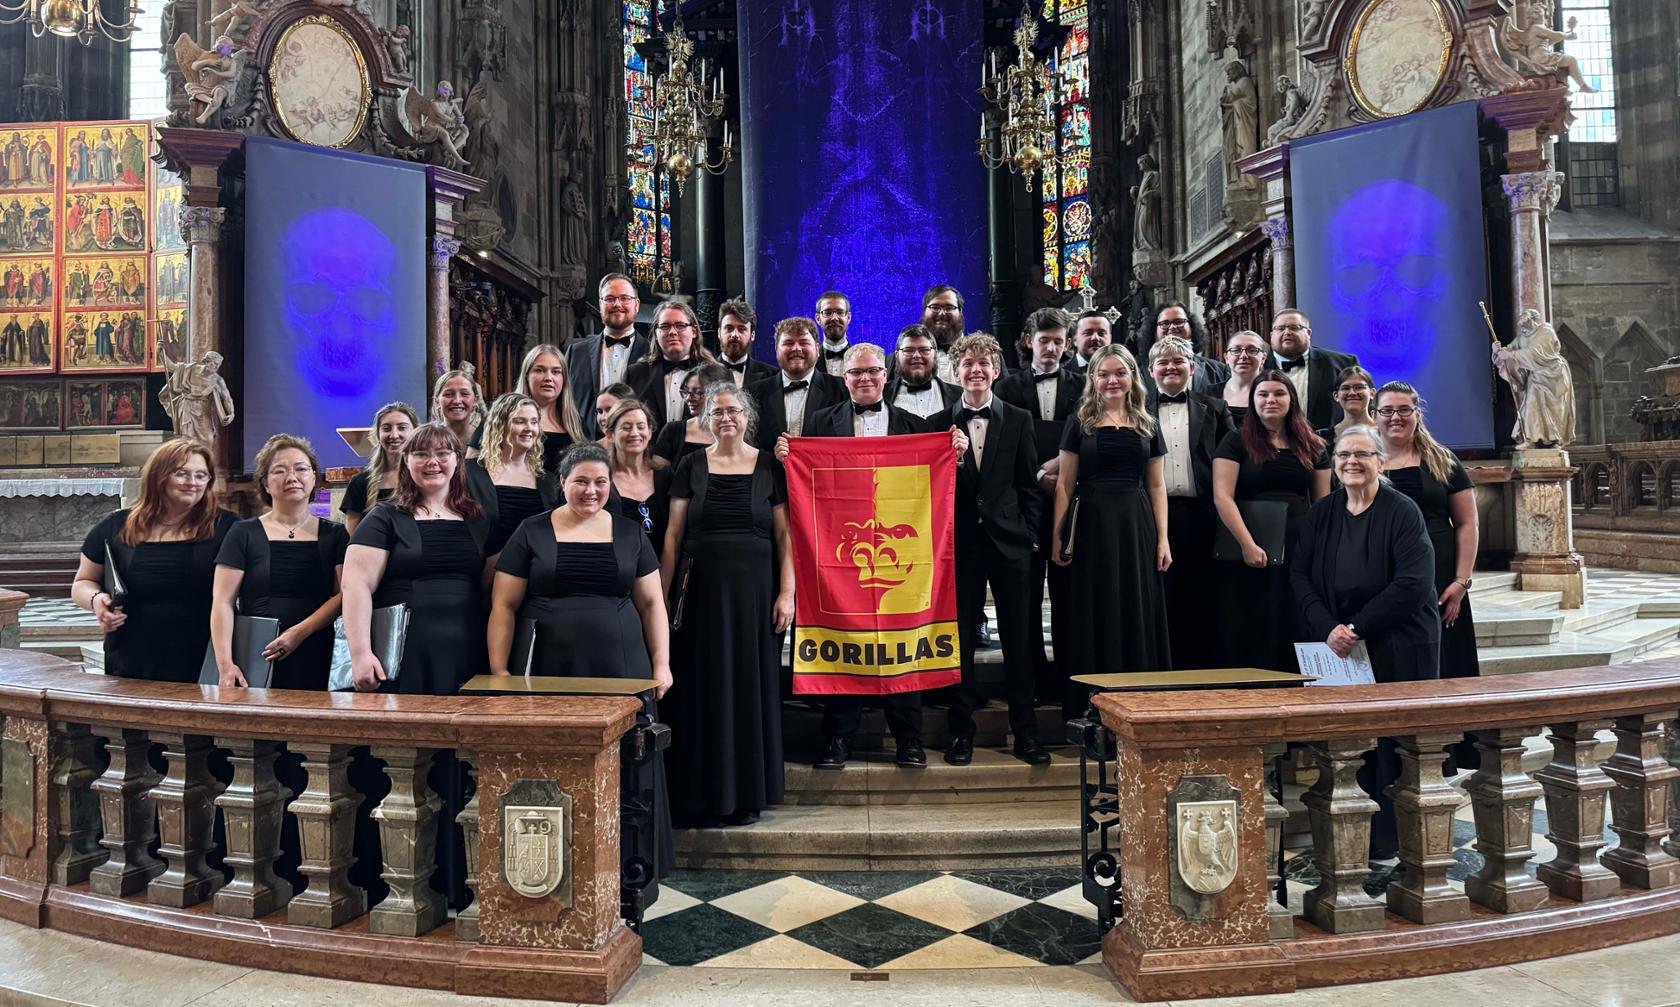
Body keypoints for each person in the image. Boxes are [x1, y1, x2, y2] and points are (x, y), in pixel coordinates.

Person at [488, 442, 673, 872]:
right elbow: (504, 606)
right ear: (562, 483)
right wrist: (499, 671)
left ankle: (628, 864)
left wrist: (661, 664)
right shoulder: (531, 530)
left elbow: (652, 604)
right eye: (581, 482)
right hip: (548, 667)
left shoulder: (630, 532)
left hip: (622, 667)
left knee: (629, 761)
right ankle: (553, 861)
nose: (591, 491)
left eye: (600, 482)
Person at [785, 344, 967, 770]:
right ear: (843, 377)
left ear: (886, 375)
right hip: (840, 556)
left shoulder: (914, 426)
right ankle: (837, 739)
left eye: (871, 371)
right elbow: (804, 482)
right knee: (842, 638)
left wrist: (951, 453)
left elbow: (938, 483)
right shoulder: (819, 423)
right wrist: (786, 458)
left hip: (902, 555)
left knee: (905, 639)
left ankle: (909, 739)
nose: (864, 379)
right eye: (854, 372)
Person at [1291, 425, 1439, 858]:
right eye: (1342, 456)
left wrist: (1355, 628)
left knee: (1395, 746)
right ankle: (1346, 842)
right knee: (1347, 745)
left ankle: (1397, 841)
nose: (1351, 462)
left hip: (1398, 641)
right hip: (1338, 649)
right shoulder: (1322, 512)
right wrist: (1328, 629)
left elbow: (1413, 583)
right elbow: (1299, 576)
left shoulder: (1402, 510)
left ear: (1381, 461)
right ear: (1333, 465)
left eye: (1362, 454)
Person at [661, 383, 794, 826]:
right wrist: (661, 598)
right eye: (717, 413)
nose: (726, 419)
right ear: (705, 419)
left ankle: (745, 795)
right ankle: (700, 796)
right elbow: (673, 536)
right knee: (701, 687)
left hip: (755, 595)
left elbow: (784, 536)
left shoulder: (769, 466)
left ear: (747, 415)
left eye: (733, 411)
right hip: (698, 593)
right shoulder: (690, 465)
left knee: (748, 687)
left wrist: (787, 592)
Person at [943, 334, 1044, 765]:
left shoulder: (1019, 418)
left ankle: (1026, 733)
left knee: (1020, 641)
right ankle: (960, 733)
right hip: (961, 546)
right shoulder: (936, 422)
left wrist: (1031, 535)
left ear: (996, 370)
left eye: (983, 363)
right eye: (967, 364)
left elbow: (1029, 484)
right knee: (959, 641)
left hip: (1011, 545)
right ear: (955, 371)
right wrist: (955, 462)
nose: (976, 370)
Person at [1051, 345, 1172, 702]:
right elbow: (1064, 484)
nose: (1112, 380)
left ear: (1133, 376)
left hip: (1136, 524)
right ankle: (1092, 701)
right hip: (1091, 523)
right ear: (1093, 379)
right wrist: (1058, 536)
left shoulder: (1148, 423)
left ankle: (1139, 698)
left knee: (1135, 603)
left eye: (1120, 372)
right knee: (1094, 606)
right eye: (1103, 374)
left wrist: (1163, 539)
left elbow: (1156, 485)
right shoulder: (1079, 423)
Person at [342, 423, 492, 696]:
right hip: (405, 649)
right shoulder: (384, 517)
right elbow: (355, 586)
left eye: (443, 453)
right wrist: (361, 653)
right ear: (406, 461)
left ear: (457, 461)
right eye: (421, 454)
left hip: (468, 645)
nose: (432, 462)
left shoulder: (476, 518)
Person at [72, 438, 238, 682]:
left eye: (201, 475)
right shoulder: (116, 526)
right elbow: (82, 582)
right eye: (181, 474)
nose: (193, 483)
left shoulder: (229, 527)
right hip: (132, 653)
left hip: (204, 653)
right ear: (158, 476)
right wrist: (96, 600)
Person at [1211, 370, 1332, 672]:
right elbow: (1222, 497)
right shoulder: (1236, 440)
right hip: (1249, 544)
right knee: (1252, 615)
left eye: (1279, 393)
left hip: (1298, 543)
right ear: (1253, 400)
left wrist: (1318, 546)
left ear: (1292, 399)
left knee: (1293, 613)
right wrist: (1247, 544)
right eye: (1263, 394)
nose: (1270, 400)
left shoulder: (1313, 444)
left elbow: (1322, 502)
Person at [995, 306, 1084, 707]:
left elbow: (1085, 439)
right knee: (1025, 596)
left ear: (1067, 346)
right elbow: (1004, 444)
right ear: (1029, 341)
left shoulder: (1083, 386)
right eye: (1044, 340)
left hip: (1072, 499)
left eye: (1058, 341)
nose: (1050, 347)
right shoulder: (1007, 387)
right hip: (1025, 504)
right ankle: (1028, 681)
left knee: (1069, 596)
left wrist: (1058, 476)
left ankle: (1069, 682)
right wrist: (1037, 478)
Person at [211, 434, 349, 691]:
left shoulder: (335, 534)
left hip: (316, 648)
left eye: (301, 469)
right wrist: (225, 664)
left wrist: (299, 632)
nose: (292, 477)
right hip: (255, 652)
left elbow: (343, 595)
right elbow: (222, 601)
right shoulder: (243, 533)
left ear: (314, 477)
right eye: (280, 470)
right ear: (264, 482)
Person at [1375, 382, 1479, 683]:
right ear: (1375, 415)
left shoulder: (1443, 460)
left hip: (1440, 572)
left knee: (1446, 653)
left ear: (1417, 414)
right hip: (1384, 571)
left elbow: (1467, 523)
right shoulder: (1361, 459)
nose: (1396, 417)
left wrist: (1461, 582)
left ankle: (1451, 725)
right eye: (1388, 410)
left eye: (1404, 410)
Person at [1147, 336, 1235, 670]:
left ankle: (1203, 670)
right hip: (1155, 515)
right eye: (1163, 362)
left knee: (1203, 594)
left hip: (1204, 514)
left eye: (1178, 361)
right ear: (1151, 370)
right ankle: (1164, 667)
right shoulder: (1137, 411)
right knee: (1162, 594)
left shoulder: (1214, 408)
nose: (1171, 367)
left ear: (1192, 367)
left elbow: (1233, 457)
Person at [465, 393, 560, 559]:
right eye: (519, 421)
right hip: (482, 570)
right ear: (500, 425)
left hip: (534, 570)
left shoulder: (548, 480)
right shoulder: (470, 473)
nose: (529, 428)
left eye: (534, 422)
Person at [473, 344, 583, 472]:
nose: (548, 378)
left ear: (564, 380)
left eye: (556, 372)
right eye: (540, 370)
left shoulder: (577, 424)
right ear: (527, 376)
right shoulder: (500, 416)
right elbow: (473, 464)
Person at [567, 273, 649, 439]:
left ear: (637, 304)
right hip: (586, 446)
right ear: (600, 304)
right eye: (610, 298)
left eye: (625, 298)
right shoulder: (575, 353)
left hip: (638, 447)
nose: (617, 304)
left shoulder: (654, 353)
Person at [747, 316, 846, 450]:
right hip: (769, 470)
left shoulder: (842, 390)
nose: (796, 349)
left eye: (804, 342)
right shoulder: (753, 394)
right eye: (788, 343)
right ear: (776, 351)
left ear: (817, 350)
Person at [625, 300, 717, 429]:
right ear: (656, 334)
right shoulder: (636, 374)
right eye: (665, 326)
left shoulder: (716, 374)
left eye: (680, 325)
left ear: (694, 332)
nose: (672, 332)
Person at [1268, 308, 1359, 431]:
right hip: (1269, 446)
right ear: (1272, 334)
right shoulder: (1257, 367)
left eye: (1294, 328)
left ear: (1309, 333)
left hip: (1329, 445)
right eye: (1280, 328)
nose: (1287, 332)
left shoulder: (1343, 363)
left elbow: (1361, 407)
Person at [342, 402, 419, 534]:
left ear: (415, 432)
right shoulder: (360, 483)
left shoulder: (424, 479)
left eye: (402, 428)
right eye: (386, 428)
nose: (394, 435)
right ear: (377, 434)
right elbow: (352, 536)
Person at [605, 398, 673, 549]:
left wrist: (665, 573)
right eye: (626, 427)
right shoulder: (602, 481)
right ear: (610, 435)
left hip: (664, 568)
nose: (635, 433)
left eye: (641, 426)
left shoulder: (665, 476)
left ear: (649, 432)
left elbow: (675, 533)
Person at [651, 362, 732, 466]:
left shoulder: (734, 432)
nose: (688, 398)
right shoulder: (672, 431)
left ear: (720, 393)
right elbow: (658, 477)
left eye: (698, 392)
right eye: (686, 392)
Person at [1145, 301, 1230, 395]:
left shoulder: (1220, 371)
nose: (1172, 327)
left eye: (1179, 321)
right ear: (1154, 330)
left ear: (1192, 327)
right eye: (1165, 323)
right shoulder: (1139, 373)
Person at [885, 324, 961, 420]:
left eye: (924, 350)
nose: (916, 355)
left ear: (935, 355)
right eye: (908, 350)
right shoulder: (881, 395)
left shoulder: (960, 396)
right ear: (897, 356)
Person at [1212, 329, 1267, 425]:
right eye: (1236, 350)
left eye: (1252, 350)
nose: (1243, 356)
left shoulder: (1275, 391)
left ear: (1263, 358)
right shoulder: (1209, 392)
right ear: (1226, 358)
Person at [717, 297, 775, 385]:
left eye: (741, 329)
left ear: (752, 335)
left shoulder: (772, 376)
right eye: (729, 328)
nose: (734, 335)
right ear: (719, 333)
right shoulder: (703, 374)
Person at [432, 364, 485, 451]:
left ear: (475, 400)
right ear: (437, 402)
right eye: (448, 394)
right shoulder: (425, 440)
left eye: (464, 394)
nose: (457, 401)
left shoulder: (486, 440)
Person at [1322, 365, 1378, 443]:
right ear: (1336, 396)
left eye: (1359, 387)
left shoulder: (1387, 435)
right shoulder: (1321, 438)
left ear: (1372, 393)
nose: (1352, 393)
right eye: (1345, 388)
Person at [814, 290, 853, 376]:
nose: (834, 318)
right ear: (818, 319)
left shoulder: (862, 359)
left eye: (840, 312)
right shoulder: (809, 362)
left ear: (849, 317)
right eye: (827, 313)